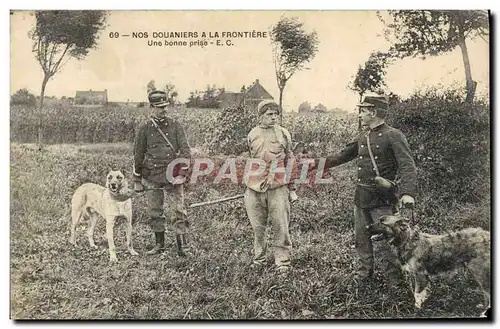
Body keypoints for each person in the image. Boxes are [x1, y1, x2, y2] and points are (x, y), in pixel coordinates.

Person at [317, 95, 417, 283]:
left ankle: (393, 283)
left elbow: (407, 165)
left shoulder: (393, 135)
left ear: (373, 112)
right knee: (361, 238)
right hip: (361, 196)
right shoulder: (363, 135)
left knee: (386, 242)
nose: (360, 114)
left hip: (382, 198)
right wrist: (315, 163)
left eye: (363, 110)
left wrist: (407, 193)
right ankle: (363, 277)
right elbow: (342, 156)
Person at [133, 90, 191, 256]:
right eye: (160, 107)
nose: (164, 110)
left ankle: (183, 247)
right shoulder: (144, 129)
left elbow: (186, 151)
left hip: (174, 175)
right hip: (152, 175)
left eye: (165, 106)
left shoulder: (175, 126)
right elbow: (138, 155)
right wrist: (137, 179)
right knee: (155, 211)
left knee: (179, 210)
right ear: (151, 108)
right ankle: (160, 245)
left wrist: (182, 173)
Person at [244, 99, 298, 273]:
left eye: (276, 114)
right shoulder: (253, 133)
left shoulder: (283, 133)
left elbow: (290, 159)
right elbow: (251, 157)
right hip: (254, 188)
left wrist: (292, 188)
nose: (273, 117)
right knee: (257, 227)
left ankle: (283, 263)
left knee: (281, 226)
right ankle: (259, 259)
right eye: (269, 114)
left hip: (278, 188)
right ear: (260, 117)